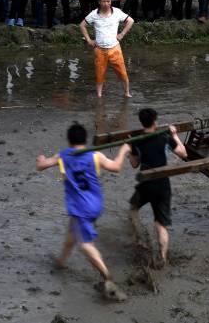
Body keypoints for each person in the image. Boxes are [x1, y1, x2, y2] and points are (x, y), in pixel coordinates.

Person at [36, 122, 130, 301]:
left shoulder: (63, 156)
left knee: (85, 244)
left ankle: (108, 278)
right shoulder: (95, 155)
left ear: (69, 140)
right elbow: (116, 167)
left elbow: (41, 166)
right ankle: (60, 263)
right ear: (85, 140)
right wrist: (124, 150)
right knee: (71, 237)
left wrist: (40, 161)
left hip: (81, 209)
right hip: (95, 204)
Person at [128, 109, 187, 266]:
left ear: (142, 122)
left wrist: (130, 149)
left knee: (133, 209)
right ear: (155, 121)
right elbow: (184, 154)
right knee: (160, 225)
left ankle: (140, 236)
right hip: (162, 184)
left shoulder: (137, 140)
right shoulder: (164, 138)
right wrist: (175, 135)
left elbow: (134, 164)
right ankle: (162, 258)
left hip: (145, 183)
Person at [80, 0, 134, 98]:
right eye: (104, 1)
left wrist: (122, 34)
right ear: (99, 2)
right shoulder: (94, 14)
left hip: (115, 48)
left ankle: (127, 93)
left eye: (108, 1)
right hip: (99, 49)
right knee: (100, 74)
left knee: (123, 73)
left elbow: (130, 21)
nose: (106, 4)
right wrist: (89, 40)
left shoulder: (117, 12)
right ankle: (99, 95)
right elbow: (82, 25)